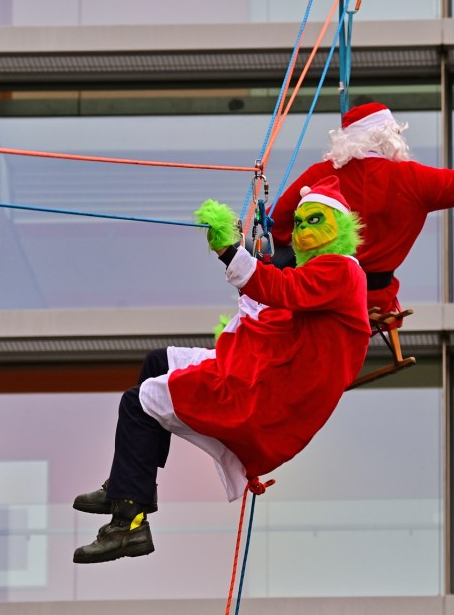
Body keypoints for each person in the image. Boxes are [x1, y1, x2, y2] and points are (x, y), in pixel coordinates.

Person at [72, 176, 369, 564]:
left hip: (264, 396)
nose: (302, 230)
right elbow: (277, 306)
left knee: (138, 403)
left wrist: (229, 251)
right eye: (298, 222)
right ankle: (127, 484)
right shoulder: (325, 278)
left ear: (341, 227)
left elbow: (281, 290)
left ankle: (129, 523)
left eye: (314, 220)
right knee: (157, 363)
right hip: (264, 379)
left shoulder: (340, 269)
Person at [270, 99, 454, 326]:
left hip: (319, 295)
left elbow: (277, 222)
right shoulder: (411, 179)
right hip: (376, 300)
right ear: (388, 136)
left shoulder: (320, 174)